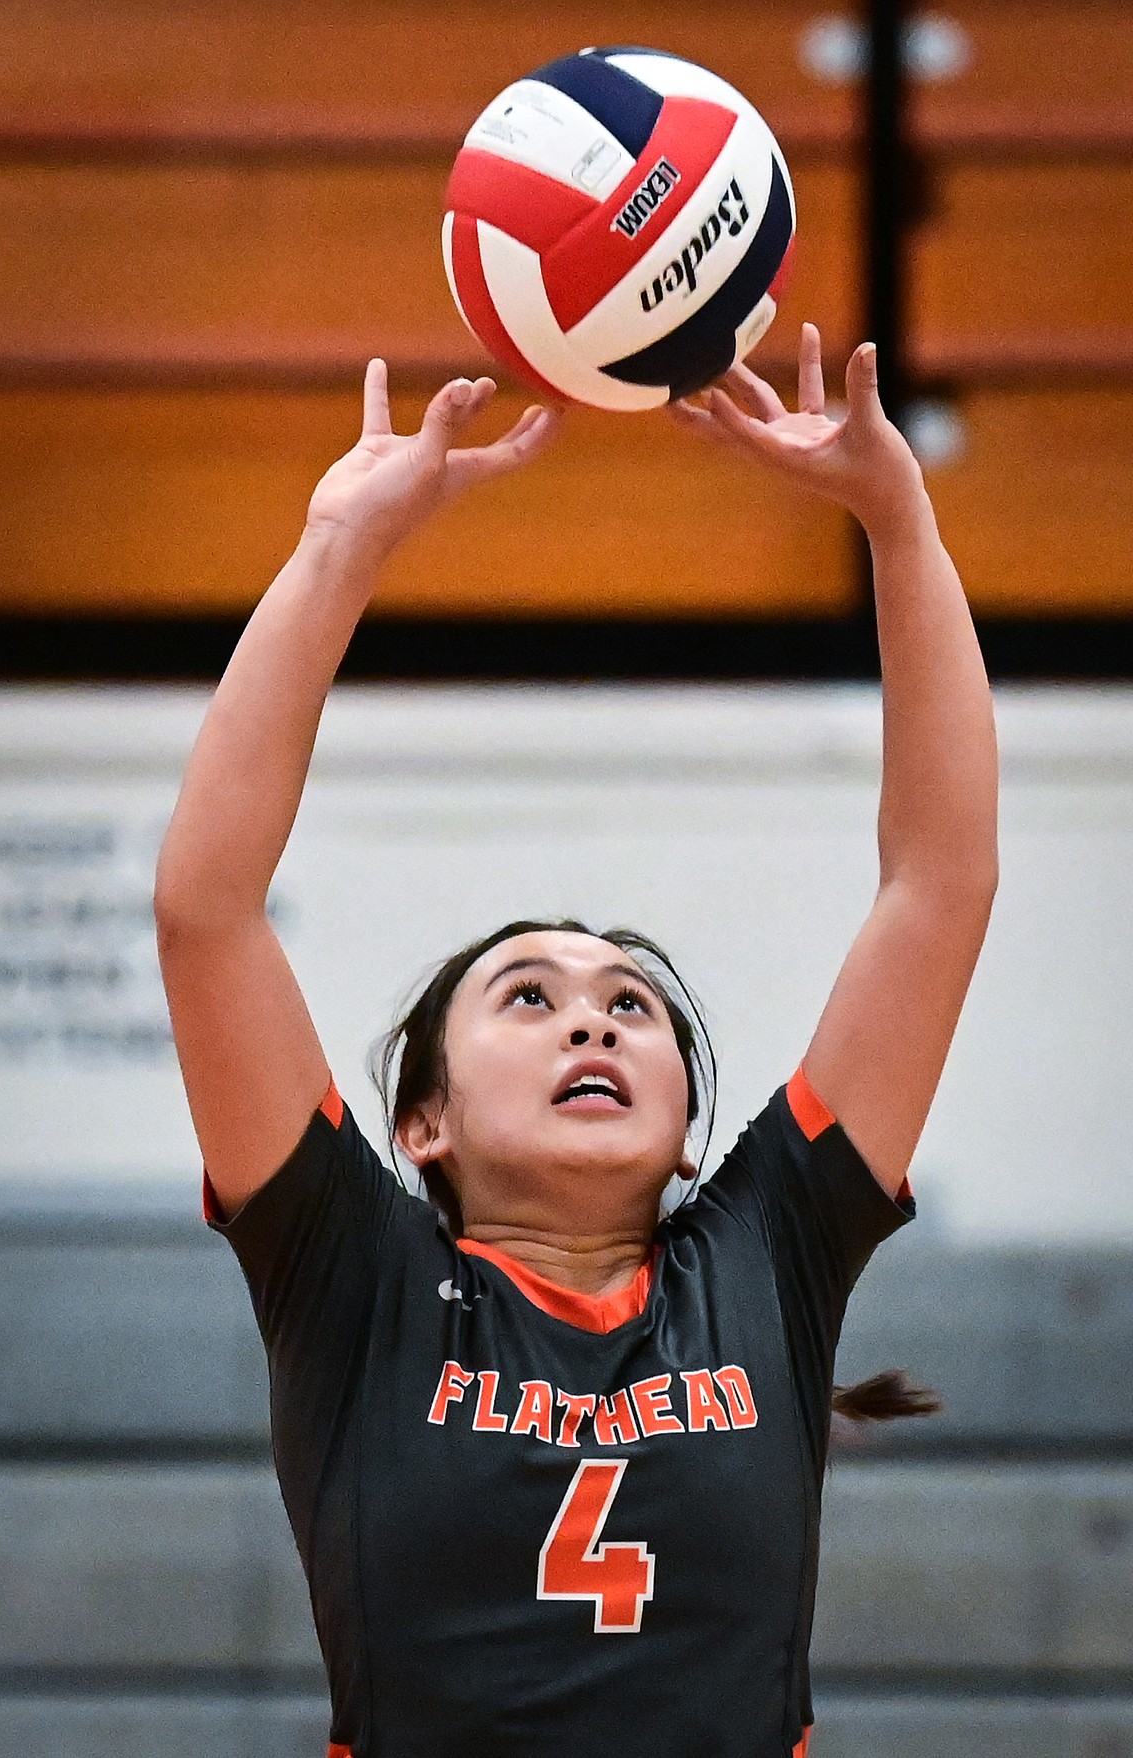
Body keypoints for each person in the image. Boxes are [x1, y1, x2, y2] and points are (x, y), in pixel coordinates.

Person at [154, 323, 998, 1758]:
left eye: (631, 1004)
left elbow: (939, 886)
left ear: (683, 1126)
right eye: (528, 996)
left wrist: (899, 523)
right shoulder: (353, 1276)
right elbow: (205, 908)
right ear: (419, 1123)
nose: (594, 1015)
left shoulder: (762, 1253)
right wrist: (338, 552)